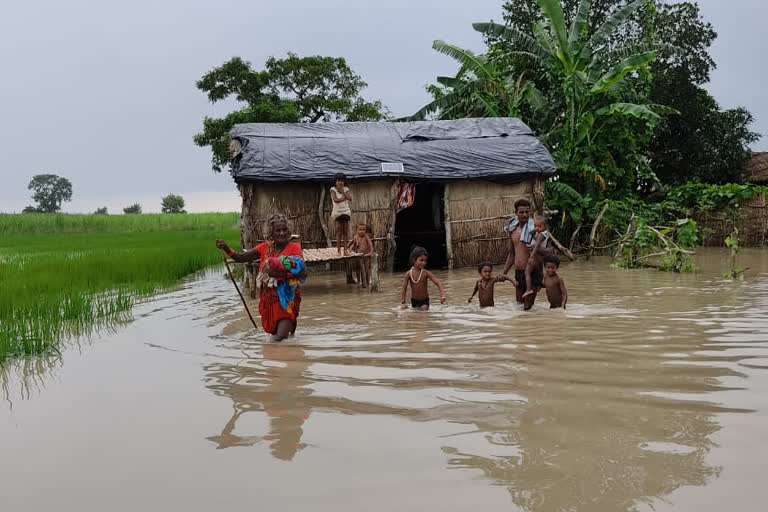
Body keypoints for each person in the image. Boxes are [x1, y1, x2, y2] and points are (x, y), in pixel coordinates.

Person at [215, 213, 307, 341]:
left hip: (287, 299)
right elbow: (241, 258)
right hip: (268, 299)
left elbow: (303, 273)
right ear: (271, 233)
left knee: (279, 338)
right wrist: (226, 248)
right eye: (278, 230)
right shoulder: (265, 248)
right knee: (277, 335)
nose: (282, 233)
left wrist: (280, 274)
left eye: (284, 230)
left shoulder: (294, 248)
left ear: (289, 231)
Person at [502, 199, 538, 310]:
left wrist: (537, 248)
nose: (524, 215)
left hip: (532, 272)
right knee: (519, 305)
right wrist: (504, 273)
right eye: (521, 212)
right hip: (518, 272)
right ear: (515, 213)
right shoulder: (512, 229)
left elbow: (548, 250)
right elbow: (512, 254)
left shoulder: (535, 228)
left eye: (527, 212)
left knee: (527, 307)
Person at [400, 246, 447, 310]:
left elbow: (438, 283)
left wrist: (443, 295)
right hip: (414, 301)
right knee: (405, 309)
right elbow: (404, 288)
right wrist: (403, 302)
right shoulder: (408, 274)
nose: (424, 263)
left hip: (424, 301)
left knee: (423, 309)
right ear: (414, 260)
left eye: (425, 260)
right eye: (421, 260)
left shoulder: (426, 273)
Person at [522, 215, 551, 300]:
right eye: (535, 226)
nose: (537, 228)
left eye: (539, 226)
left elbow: (537, 245)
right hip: (540, 257)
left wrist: (531, 257)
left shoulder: (541, 235)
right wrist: (533, 231)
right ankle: (542, 283)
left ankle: (528, 289)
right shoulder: (542, 234)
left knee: (527, 272)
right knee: (541, 271)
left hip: (535, 257)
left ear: (545, 226)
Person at [330, 172, 352, 254]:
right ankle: (338, 250)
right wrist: (344, 197)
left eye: (342, 181)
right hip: (338, 212)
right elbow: (335, 199)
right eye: (338, 180)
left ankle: (345, 250)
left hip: (346, 211)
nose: (340, 182)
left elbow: (350, 198)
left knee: (345, 231)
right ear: (335, 181)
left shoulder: (346, 189)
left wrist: (342, 192)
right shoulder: (333, 189)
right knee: (339, 231)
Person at [347, 223, 374, 288]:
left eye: (363, 230)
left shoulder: (366, 236)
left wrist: (371, 251)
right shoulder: (356, 237)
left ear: (365, 230)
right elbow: (352, 243)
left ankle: (367, 282)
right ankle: (359, 281)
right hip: (358, 256)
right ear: (357, 230)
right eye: (360, 229)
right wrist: (348, 248)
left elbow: (370, 244)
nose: (362, 231)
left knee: (366, 269)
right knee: (357, 268)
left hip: (366, 256)